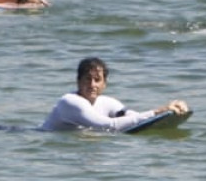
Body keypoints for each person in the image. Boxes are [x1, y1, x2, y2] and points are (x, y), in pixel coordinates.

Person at [41, 57, 189, 132]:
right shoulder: (70, 102)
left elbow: (133, 116)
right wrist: (157, 112)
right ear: (78, 82)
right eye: (87, 79)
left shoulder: (106, 102)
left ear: (105, 84)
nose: (92, 85)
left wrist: (167, 113)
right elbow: (109, 126)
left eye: (97, 80)